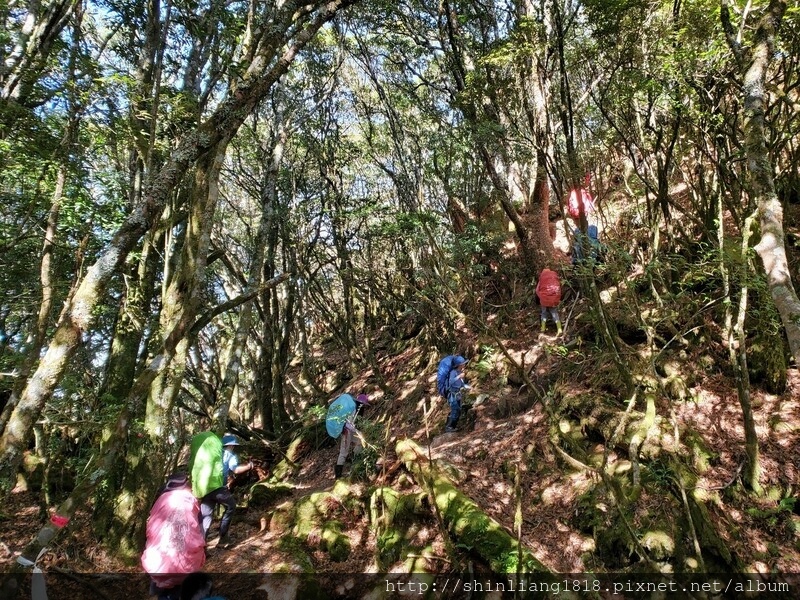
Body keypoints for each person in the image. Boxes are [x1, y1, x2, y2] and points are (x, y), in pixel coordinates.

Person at [141, 473, 206, 600]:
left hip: (159, 561)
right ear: (186, 485)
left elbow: (151, 529)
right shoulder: (190, 499)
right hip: (185, 561)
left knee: (164, 589)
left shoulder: (161, 500)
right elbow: (197, 528)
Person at [188, 431, 236, 547]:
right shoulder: (222, 452)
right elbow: (232, 468)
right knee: (231, 506)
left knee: (206, 517)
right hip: (216, 486)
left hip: (203, 488)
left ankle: (202, 547)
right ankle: (223, 539)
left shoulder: (200, 453)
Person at [335, 393, 369, 478]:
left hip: (352, 430)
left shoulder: (358, 409)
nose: (363, 406)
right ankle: (338, 476)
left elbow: (355, 424)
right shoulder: (351, 408)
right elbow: (346, 420)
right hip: (346, 430)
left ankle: (354, 460)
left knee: (360, 442)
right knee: (343, 452)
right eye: (362, 404)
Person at [536, 267, 562, 336]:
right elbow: (558, 288)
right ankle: (559, 329)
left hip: (544, 299)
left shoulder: (542, 278)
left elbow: (537, 290)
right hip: (554, 299)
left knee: (544, 313)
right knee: (554, 313)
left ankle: (543, 329)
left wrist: (541, 297)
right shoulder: (554, 278)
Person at [445, 357, 469, 432]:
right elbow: (451, 382)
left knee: (458, 410)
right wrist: (459, 377)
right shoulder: (453, 372)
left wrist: (468, 387)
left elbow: (461, 384)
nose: (464, 365)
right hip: (453, 394)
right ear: (459, 365)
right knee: (455, 410)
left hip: (458, 394)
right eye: (463, 364)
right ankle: (449, 427)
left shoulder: (459, 372)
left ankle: (453, 427)